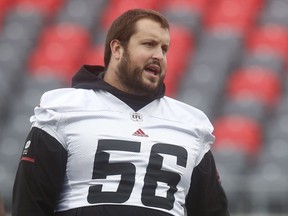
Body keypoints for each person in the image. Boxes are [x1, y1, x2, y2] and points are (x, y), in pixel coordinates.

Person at [12, 8, 229, 216]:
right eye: (149, 44)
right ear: (117, 49)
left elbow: (212, 210)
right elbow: (31, 205)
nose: (159, 56)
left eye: (164, 49)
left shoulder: (190, 123)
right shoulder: (63, 109)